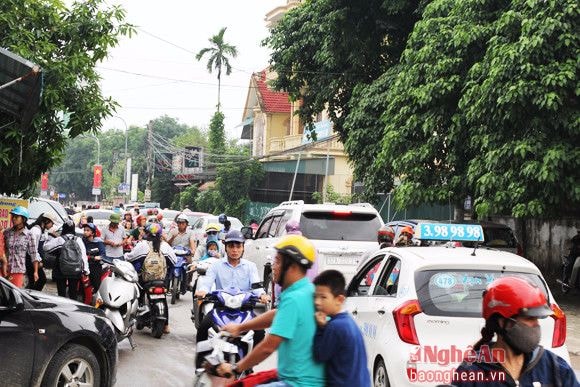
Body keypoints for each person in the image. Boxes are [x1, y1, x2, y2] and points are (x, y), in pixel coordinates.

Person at [218, 234, 325, 386]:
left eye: (278, 261)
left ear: (293, 267)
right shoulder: (306, 290)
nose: (273, 266)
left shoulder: (294, 299)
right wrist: (240, 327)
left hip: (298, 383)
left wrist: (236, 368)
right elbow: (277, 315)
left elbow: (268, 347)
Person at [452, 277, 579, 386]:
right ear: (503, 322)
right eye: (529, 318)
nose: (536, 325)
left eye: (537, 319)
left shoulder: (554, 367)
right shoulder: (471, 374)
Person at [194, 229, 269, 368]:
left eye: (238, 246)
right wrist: (203, 291)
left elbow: (256, 286)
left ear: (243, 248)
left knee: (260, 332)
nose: (235, 250)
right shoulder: (215, 266)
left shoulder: (250, 267)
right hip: (221, 309)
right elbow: (207, 282)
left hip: (245, 310)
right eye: (231, 246)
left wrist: (262, 295)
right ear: (225, 247)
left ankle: (249, 364)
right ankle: (200, 364)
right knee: (203, 327)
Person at [313, 270, 370, 387]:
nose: (317, 302)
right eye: (315, 297)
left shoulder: (335, 326)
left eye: (323, 297)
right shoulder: (349, 322)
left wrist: (320, 329)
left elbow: (319, 356)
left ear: (339, 299)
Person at [124, 223, 176, 334]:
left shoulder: (143, 245)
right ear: (160, 235)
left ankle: (135, 317)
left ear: (147, 234)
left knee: (139, 294)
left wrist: (124, 256)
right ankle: (166, 325)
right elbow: (174, 261)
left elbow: (130, 257)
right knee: (163, 298)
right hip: (162, 280)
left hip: (145, 279)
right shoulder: (165, 246)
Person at [43, 220, 89, 300]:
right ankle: (73, 309)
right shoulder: (79, 240)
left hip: (61, 269)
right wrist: (86, 270)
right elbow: (83, 256)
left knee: (61, 293)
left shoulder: (60, 239)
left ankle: (62, 309)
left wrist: (48, 237)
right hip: (75, 270)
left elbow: (46, 248)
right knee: (73, 293)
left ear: (64, 228)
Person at [3, 206, 38, 288]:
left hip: (18, 271)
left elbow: (34, 254)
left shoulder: (29, 235)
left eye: (16, 217)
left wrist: (35, 272)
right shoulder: (7, 232)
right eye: (13, 216)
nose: (13, 219)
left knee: (15, 296)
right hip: (4, 269)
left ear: (23, 219)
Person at [26, 211, 58, 291]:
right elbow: (33, 249)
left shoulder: (40, 230)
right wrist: (38, 262)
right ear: (46, 221)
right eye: (52, 223)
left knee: (36, 281)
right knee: (40, 280)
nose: (52, 226)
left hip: (33, 260)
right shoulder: (36, 230)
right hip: (31, 260)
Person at [82, 222, 107, 292]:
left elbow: (102, 255)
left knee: (96, 287)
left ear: (93, 233)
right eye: (84, 230)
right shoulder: (82, 241)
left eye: (87, 230)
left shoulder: (98, 242)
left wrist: (96, 258)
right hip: (84, 267)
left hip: (95, 267)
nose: (85, 232)